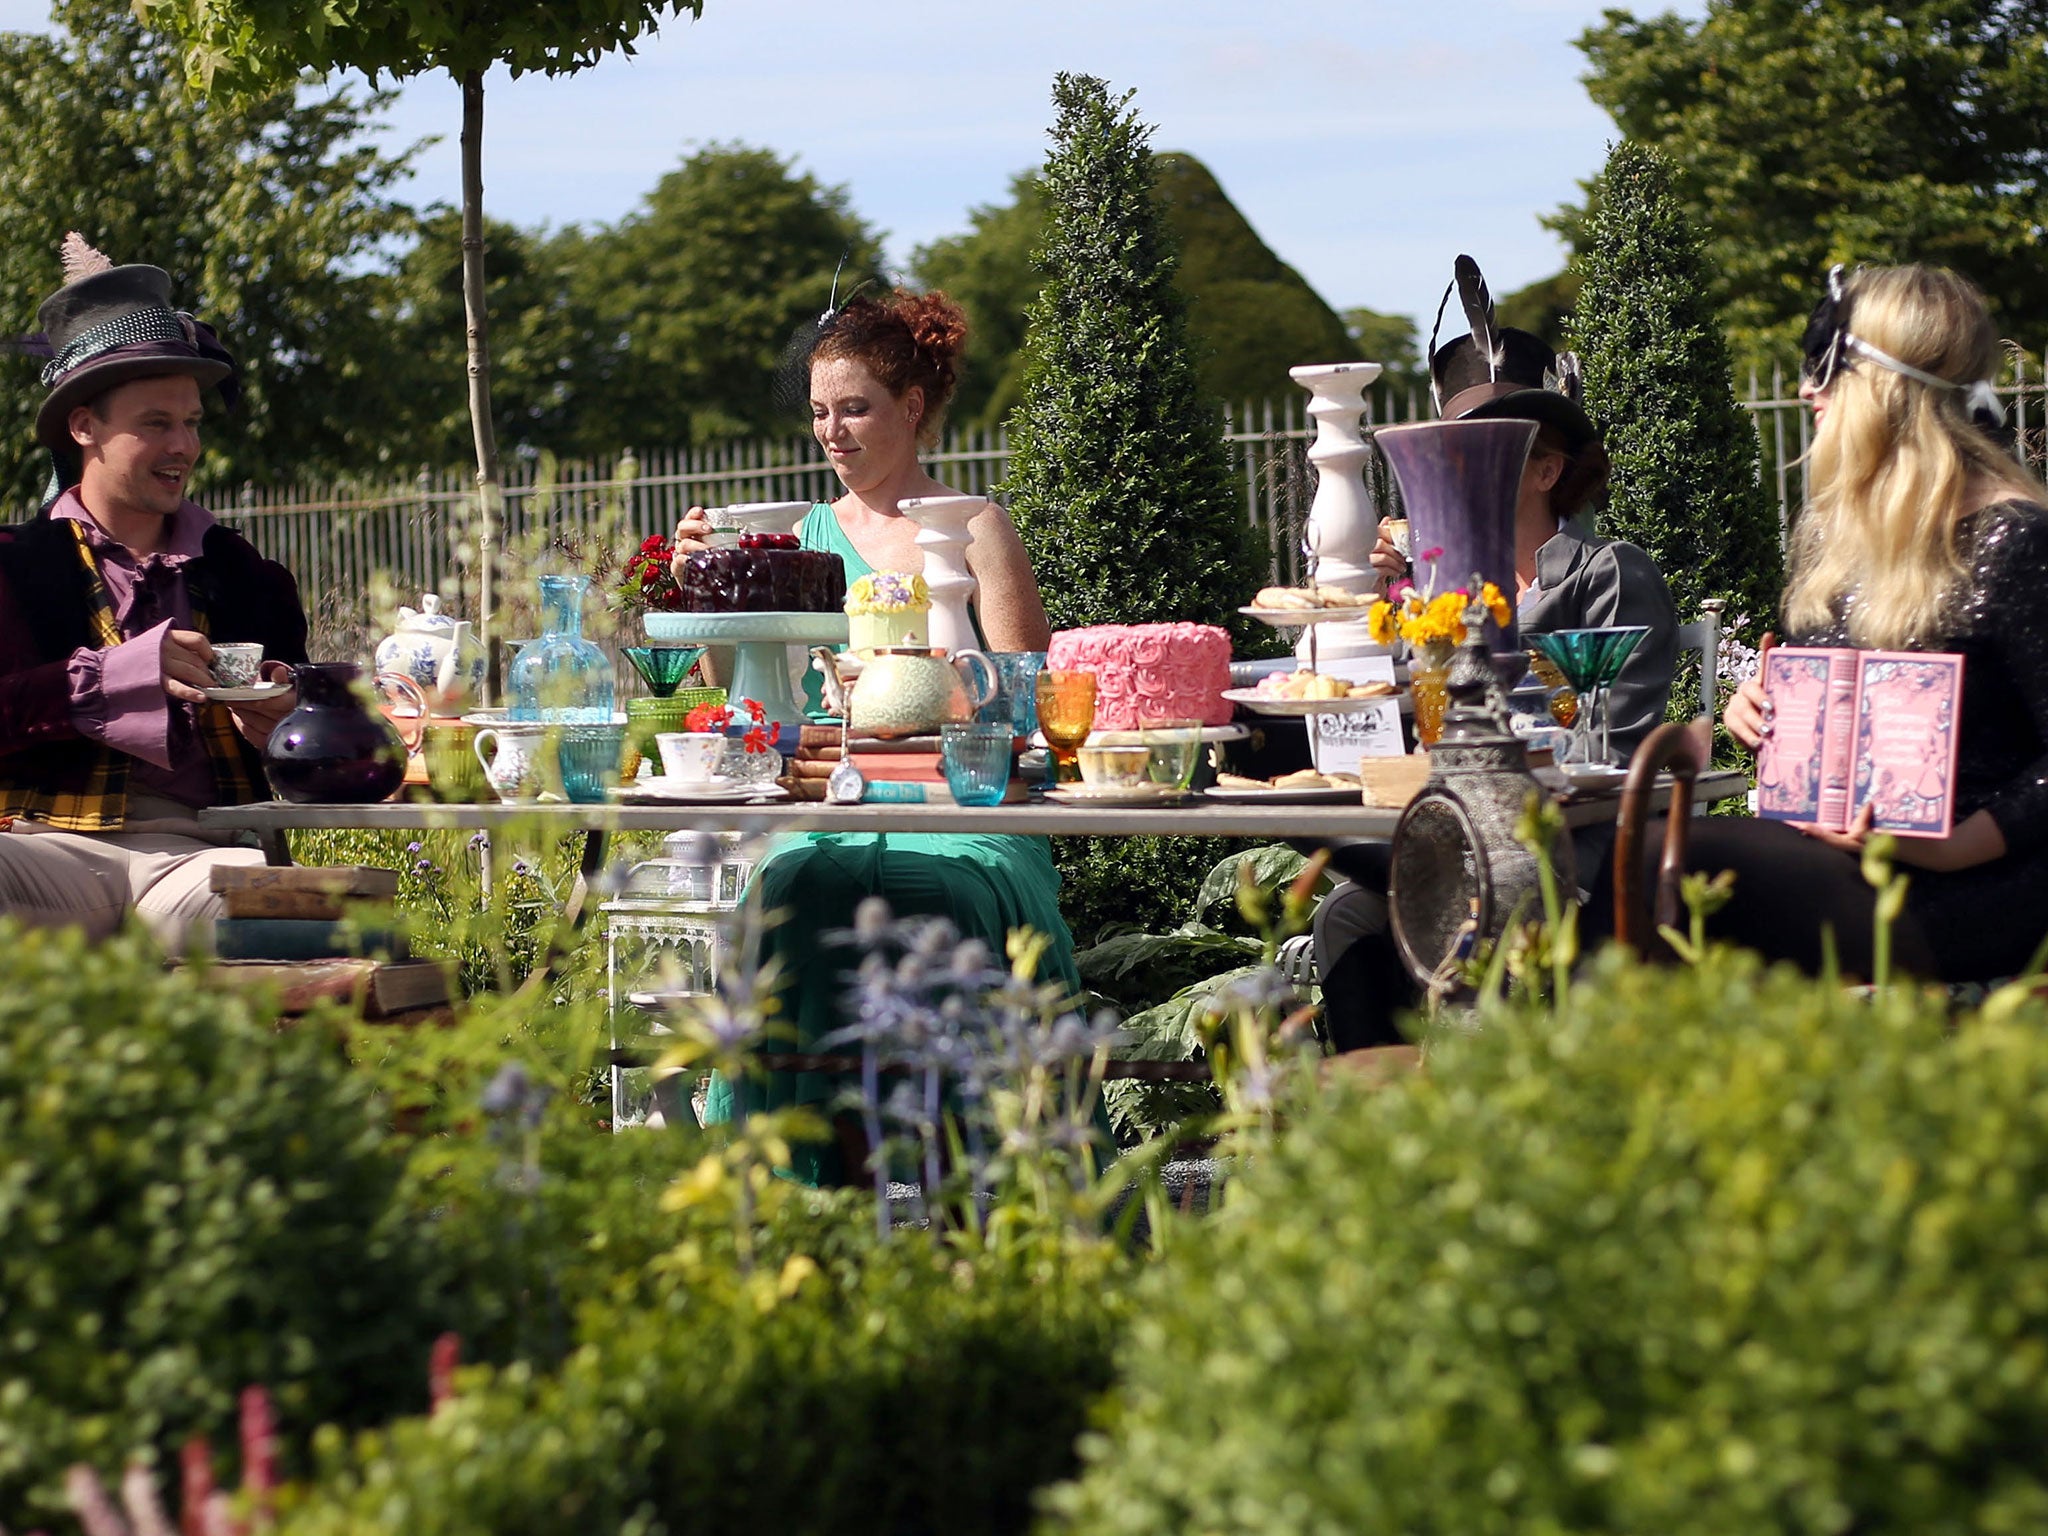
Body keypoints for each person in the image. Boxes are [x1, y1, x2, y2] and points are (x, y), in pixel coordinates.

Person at [670, 288, 1074, 1183]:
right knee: (787, 898)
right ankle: (803, 1194)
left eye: (855, 407)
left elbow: (1024, 707)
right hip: (826, 797)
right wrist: (702, 587)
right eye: (819, 411)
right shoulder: (797, 538)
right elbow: (738, 703)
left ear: (914, 408)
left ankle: (989, 1186)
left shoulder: (975, 527)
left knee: (956, 897)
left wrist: (922, 698)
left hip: (966, 800)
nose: (832, 431)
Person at [1312, 255, 1680, 1051]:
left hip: (1572, 845)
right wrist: (1387, 613)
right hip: (1447, 826)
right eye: (1451, 446)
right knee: (1343, 909)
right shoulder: (1429, 594)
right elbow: (1382, 736)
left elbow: (1614, 749)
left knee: (1463, 883)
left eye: (1489, 448)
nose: (1456, 465)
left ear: (1547, 468)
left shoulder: (1606, 572)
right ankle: (1380, 1131)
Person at [1662, 263, 2048, 982]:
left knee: (1676, 873)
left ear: (1882, 386)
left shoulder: (2015, 538)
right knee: (1647, 860)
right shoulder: (1835, 538)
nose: (1807, 390)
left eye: (1825, 369)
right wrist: (1763, 712)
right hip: (1827, 859)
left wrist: (1955, 846)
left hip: (1962, 889)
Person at [0, 238, 307, 950]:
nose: (185, 447)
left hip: (203, 855)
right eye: (155, 424)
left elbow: (331, 734)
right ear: (84, 427)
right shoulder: (11, 566)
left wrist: (289, 720)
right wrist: (116, 676)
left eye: (192, 422)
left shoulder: (244, 573)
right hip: (44, 851)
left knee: (306, 923)